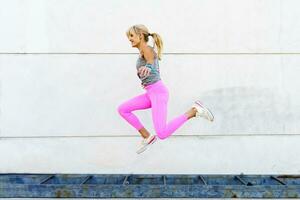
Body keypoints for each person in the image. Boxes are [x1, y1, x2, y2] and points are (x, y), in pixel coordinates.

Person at [117, 24, 214, 154]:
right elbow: (150, 66)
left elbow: (151, 60)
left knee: (162, 133)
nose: (129, 39)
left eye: (131, 36)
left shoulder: (147, 49)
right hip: (150, 92)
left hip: (158, 93)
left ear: (140, 36)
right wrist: (144, 79)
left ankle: (193, 111)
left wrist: (148, 68)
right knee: (123, 109)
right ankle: (147, 136)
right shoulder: (142, 52)